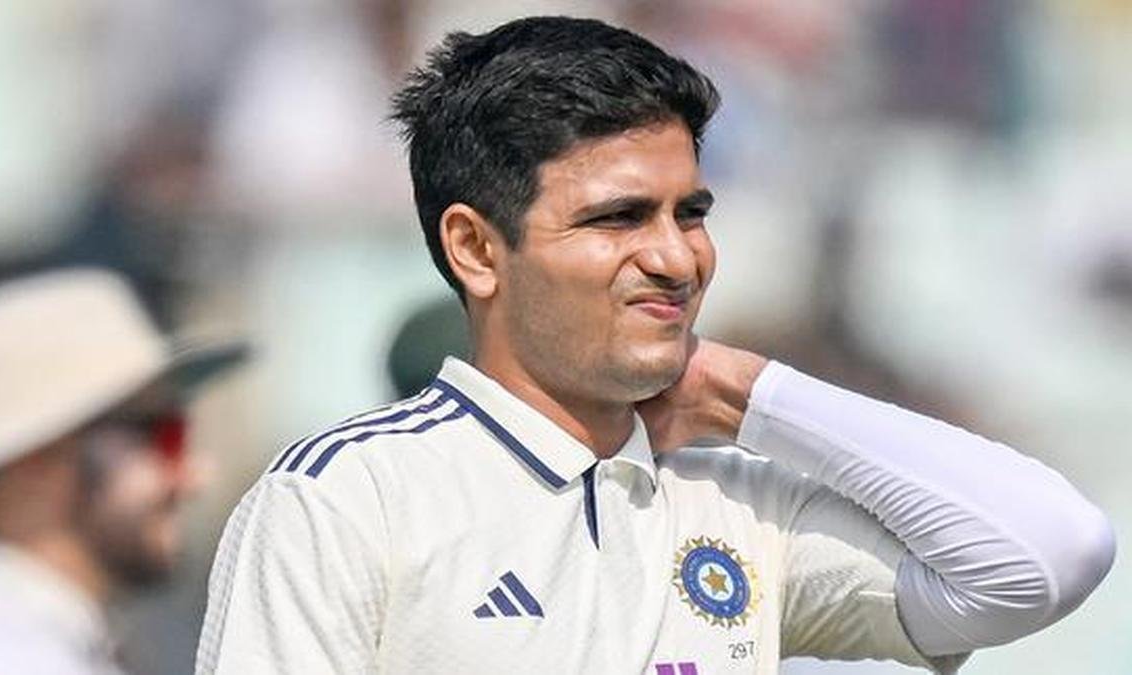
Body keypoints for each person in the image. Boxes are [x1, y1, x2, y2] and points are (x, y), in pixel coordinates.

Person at [196, 16, 1115, 675]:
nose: (677, 256)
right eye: (619, 217)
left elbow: (1049, 553)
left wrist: (745, 390)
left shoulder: (732, 500)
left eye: (691, 213)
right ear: (475, 248)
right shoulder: (348, 497)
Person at [0, 268, 246, 674]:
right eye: (163, 435)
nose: (195, 475)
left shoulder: (16, 638)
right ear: (37, 460)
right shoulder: (2, 657)